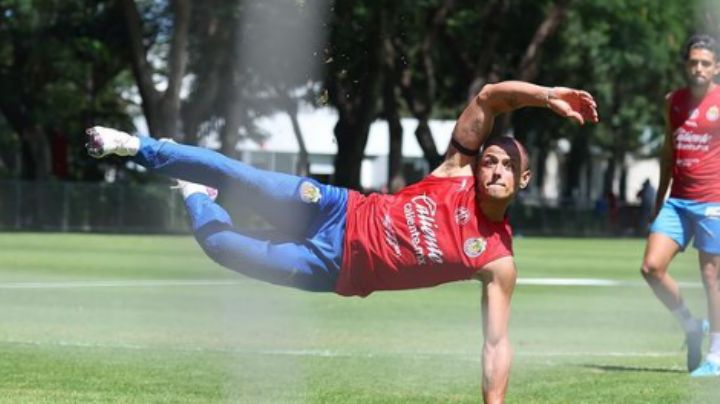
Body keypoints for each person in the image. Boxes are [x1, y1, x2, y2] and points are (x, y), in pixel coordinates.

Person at [86, 80, 598, 403]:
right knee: (243, 176)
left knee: (223, 249)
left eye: (509, 166)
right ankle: (139, 147)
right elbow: (489, 96)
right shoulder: (455, 170)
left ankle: (195, 192)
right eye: (491, 159)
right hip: (338, 207)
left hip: (333, 270)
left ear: (524, 182)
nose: (496, 168)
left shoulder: (496, 260)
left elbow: (495, 343)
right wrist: (547, 96)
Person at [640, 33, 720, 377]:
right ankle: (691, 325)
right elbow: (667, 153)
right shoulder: (673, 100)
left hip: (713, 202)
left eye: (705, 63)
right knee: (651, 268)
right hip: (677, 201)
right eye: (693, 62)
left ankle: (716, 356)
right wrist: (659, 200)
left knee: (711, 277)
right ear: (686, 65)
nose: (698, 68)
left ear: (716, 67)